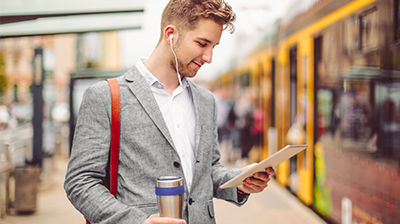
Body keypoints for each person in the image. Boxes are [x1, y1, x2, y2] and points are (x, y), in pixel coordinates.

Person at [64, 1, 275, 224]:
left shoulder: (206, 101)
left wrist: (239, 180)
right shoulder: (105, 96)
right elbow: (80, 181)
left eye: (214, 47)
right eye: (202, 43)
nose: (209, 57)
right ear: (170, 34)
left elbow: (207, 172)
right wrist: (138, 222)